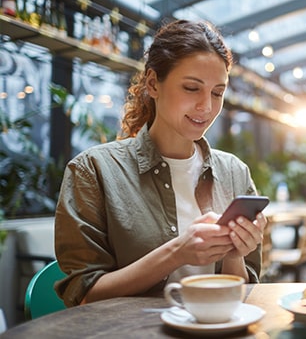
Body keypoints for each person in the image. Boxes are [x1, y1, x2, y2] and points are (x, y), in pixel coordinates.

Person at [54, 20, 267, 307]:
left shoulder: (234, 173)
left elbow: (243, 291)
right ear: (153, 83)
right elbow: (84, 296)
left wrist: (235, 251)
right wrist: (177, 252)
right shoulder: (93, 170)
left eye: (217, 92)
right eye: (192, 88)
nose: (206, 107)